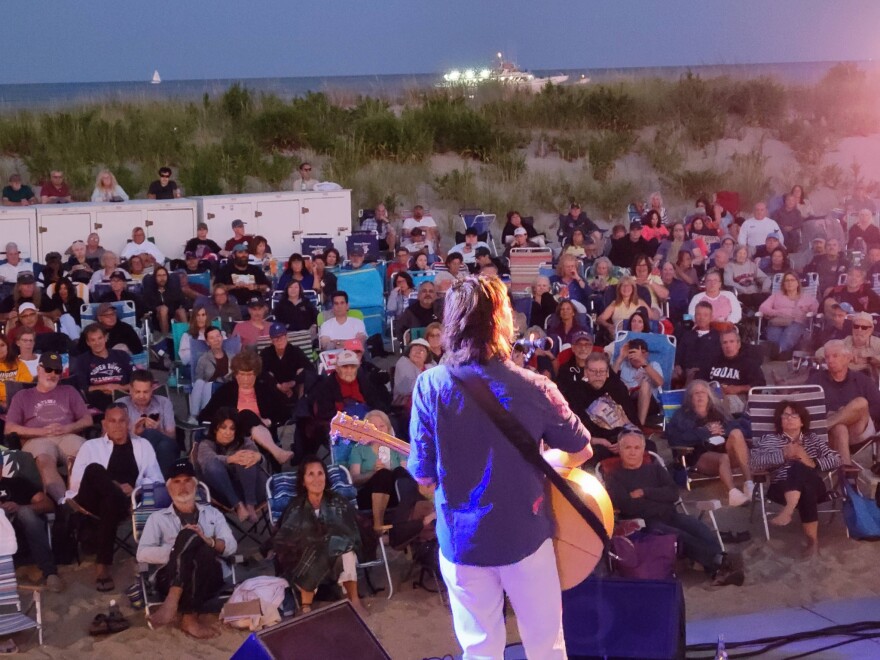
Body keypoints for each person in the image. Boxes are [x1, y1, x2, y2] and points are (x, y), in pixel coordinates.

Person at [408, 275, 592, 659]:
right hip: (524, 535)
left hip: (462, 543)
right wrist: (548, 463)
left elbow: (424, 477)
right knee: (546, 646)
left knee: (479, 649)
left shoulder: (428, 386)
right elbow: (581, 450)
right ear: (500, 321)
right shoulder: (535, 386)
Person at [605, 430, 742, 585]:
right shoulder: (615, 477)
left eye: (637, 448)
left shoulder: (655, 469)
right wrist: (660, 497)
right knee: (679, 535)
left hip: (670, 514)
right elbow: (627, 505)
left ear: (643, 450)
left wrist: (645, 492)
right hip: (644, 522)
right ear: (620, 449)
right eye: (627, 447)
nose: (632, 452)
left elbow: (673, 494)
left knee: (698, 528)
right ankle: (721, 562)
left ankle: (716, 569)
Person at [66, 403, 163, 591]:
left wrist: (136, 488)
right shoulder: (90, 446)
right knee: (94, 469)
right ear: (104, 424)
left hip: (121, 504)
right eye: (112, 421)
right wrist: (116, 487)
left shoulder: (143, 446)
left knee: (109, 502)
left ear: (128, 423)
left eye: (122, 421)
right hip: (89, 499)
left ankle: (102, 566)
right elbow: (76, 482)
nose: (117, 426)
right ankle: (114, 495)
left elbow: (157, 480)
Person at [137, 458, 237, 639]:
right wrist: (179, 551)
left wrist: (209, 541)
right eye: (177, 481)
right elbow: (142, 553)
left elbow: (231, 546)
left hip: (210, 577)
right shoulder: (157, 518)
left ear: (196, 485)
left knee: (201, 546)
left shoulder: (213, 513)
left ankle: (173, 600)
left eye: (187, 480)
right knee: (191, 540)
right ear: (168, 488)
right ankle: (189, 619)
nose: (183, 486)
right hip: (167, 577)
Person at [273, 456, 366, 617]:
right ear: (303, 481)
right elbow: (287, 537)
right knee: (310, 548)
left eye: (320, 473)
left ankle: (354, 599)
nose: (317, 479)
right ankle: (305, 605)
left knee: (348, 551)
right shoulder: (296, 507)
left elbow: (351, 528)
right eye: (311, 474)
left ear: (325, 477)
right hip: (306, 556)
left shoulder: (337, 501)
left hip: (336, 554)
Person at [750, 400, 841, 557]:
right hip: (781, 486)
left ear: (802, 421)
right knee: (804, 484)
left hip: (815, 484)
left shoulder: (812, 439)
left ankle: (789, 509)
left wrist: (811, 461)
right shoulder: (770, 439)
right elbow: (754, 462)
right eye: (785, 415)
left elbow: (836, 459)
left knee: (800, 469)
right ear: (780, 420)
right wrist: (783, 455)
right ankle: (813, 543)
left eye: (794, 415)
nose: (789, 418)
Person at [6, 352, 93, 504]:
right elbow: (9, 428)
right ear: (39, 369)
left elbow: (87, 419)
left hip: (68, 435)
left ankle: (82, 501)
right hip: (37, 439)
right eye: (48, 369)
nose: (52, 374)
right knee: (44, 461)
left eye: (57, 371)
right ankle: (65, 503)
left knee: (83, 456)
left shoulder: (69, 391)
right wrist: (41, 431)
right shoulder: (22, 395)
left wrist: (68, 428)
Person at [198, 350, 294, 467]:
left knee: (248, 416)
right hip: (232, 439)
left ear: (256, 374)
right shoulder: (225, 391)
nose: (246, 379)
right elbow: (204, 415)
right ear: (235, 374)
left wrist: (269, 421)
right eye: (242, 374)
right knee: (245, 415)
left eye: (249, 375)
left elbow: (286, 412)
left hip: (261, 442)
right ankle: (277, 452)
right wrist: (225, 421)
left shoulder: (265, 389)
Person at [667, 380, 754, 506]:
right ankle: (732, 493)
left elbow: (737, 427)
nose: (700, 395)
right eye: (696, 393)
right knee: (723, 458)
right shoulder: (682, 416)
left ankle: (749, 484)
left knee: (736, 433)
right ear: (690, 398)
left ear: (709, 396)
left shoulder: (717, 411)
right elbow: (675, 439)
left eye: (703, 392)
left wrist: (721, 430)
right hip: (699, 456)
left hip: (724, 450)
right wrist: (704, 432)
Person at [808, 340, 880, 466]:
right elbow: (805, 408)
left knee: (861, 403)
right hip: (829, 436)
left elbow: (877, 407)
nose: (830, 360)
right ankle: (846, 473)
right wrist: (835, 414)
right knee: (840, 428)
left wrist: (849, 412)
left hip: (859, 431)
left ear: (847, 358)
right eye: (827, 357)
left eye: (835, 356)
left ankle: (828, 424)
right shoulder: (816, 380)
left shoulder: (863, 380)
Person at [0, 453, 62, 591]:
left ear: (1, 467)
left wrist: (20, 507)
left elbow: (48, 504)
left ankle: (50, 573)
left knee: (26, 513)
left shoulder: (17, 483)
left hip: (23, 529)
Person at [196, 408, 265, 523]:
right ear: (215, 429)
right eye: (223, 427)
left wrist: (259, 457)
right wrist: (230, 459)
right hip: (223, 493)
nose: (227, 432)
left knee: (246, 457)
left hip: (252, 488)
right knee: (213, 465)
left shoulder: (244, 442)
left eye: (232, 429)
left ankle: (250, 505)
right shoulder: (206, 444)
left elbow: (262, 464)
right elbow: (206, 460)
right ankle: (238, 506)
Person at [348, 409, 412, 531]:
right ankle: (378, 525)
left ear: (388, 428)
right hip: (368, 495)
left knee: (399, 472)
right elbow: (354, 478)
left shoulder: (397, 447)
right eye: (373, 427)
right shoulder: (359, 449)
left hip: (395, 494)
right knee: (382, 474)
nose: (378, 430)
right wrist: (373, 473)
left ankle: (406, 522)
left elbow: (405, 473)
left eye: (382, 426)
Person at [117, 369, 181, 479]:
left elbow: (172, 436)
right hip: (131, 449)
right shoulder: (120, 405)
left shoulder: (164, 403)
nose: (141, 396)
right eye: (137, 392)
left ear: (152, 390)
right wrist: (134, 433)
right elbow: (111, 438)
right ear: (130, 390)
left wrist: (158, 429)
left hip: (165, 446)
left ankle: (147, 482)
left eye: (145, 392)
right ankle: (162, 485)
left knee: (159, 440)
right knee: (156, 440)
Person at [699, 329, 765, 415]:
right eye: (725, 342)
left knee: (718, 405)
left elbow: (760, 385)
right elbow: (699, 380)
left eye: (731, 342)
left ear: (738, 344)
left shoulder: (749, 363)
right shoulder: (712, 361)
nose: (728, 346)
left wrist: (738, 388)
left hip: (737, 397)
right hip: (712, 395)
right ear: (721, 346)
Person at [758, 271, 819, 359]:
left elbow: (815, 311)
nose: (789, 283)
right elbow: (763, 308)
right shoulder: (777, 296)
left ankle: (776, 354)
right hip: (778, 322)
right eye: (787, 281)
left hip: (797, 323)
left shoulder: (807, 298)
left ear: (798, 283)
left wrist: (806, 314)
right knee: (773, 336)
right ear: (783, 284)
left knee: (789, 333)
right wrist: (778, 313)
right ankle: (782, 353)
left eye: (792, 280)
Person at [74, 323, 132, 408]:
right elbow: (83, 388)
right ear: (88, 342)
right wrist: (105, 387)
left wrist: (119, 388)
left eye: (100, 338)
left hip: (123, 395)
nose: (97, 343)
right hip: (98, 399)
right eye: (93, 340)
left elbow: (136, 382)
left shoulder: (122, 355)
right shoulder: (82, 360)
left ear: (106, 338)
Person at [611, 337, 662, 426]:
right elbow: (610, 381)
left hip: (650, 404)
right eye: (633, 353)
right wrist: (621, 357)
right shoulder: (623, 365)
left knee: (645, 383)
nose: (637, 356)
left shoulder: (653, 365)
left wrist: (643, 362)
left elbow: (660, 382)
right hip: (627, 402)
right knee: (620, 387)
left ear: (647, 354)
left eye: (642, 353)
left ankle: (640, 426)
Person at [260, 322, 314, 402]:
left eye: (281, 336)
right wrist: (277, 385)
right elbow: (260, 372)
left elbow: (310, 370)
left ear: (286, 336)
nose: (279, 340)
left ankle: (301, 408)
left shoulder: (296, 351)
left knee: (303, 373)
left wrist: (293, 382)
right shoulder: (266, 353)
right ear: (271, 340)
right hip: (273, 390)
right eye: (275, 338)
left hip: (295, 388)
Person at [815, 311, 880, 376]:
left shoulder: (877, 343)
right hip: (846, 381)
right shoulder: (846, 342)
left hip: (870, 381)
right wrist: (843, 356)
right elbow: (819, 353)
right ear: (852, 328)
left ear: (870, 330)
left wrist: (868, 360)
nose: (859, 330)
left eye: (864, 328)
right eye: (856, 326)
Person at [189, 326, 232, 420]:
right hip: (208, 390)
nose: (216, 340)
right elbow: (197, 380)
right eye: (212, 338)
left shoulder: (232, 357)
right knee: (201, 383)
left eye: (218, 336)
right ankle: (194, 416)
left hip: (228, 388)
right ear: (208, 342)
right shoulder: (204, 359)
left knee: (207, 385)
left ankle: (202, 417)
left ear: (222, 337)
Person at [79, 301, 143, 354]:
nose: (111, 317)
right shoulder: (90, 330)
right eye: (107, 315)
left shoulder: (126, 329)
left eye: (113, 314)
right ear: (99, 318)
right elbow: (80, 351)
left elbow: (138, 349)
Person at [143, 266, 186, 334]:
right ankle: (165, 337)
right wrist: (157, 308)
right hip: (156, 318)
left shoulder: (173, 288)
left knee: (181, 311)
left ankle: (186, 337)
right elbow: (146, 306)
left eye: (164, 275)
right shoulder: (150, 290)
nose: (162, 278)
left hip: (172, 315)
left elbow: (182, 302)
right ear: (155, 277)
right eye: (159, 276)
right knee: (163, 309)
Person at [725, 245, 769, 310]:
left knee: (766, 297)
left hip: (755, 293)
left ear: (747, 255)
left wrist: (765, 288)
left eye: (744, 253)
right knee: (755, 299)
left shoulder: (752, 265)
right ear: (735, 254)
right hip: (741, 294)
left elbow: (765, 278)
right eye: (739, 253)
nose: (742, 256)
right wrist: (742, 289)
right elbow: (727, 281)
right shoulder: (730, 266)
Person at [0, 333, 32, 408]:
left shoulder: (19, 364)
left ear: (7, 347)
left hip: (18, 403)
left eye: (2, 345)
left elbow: (26, 385)